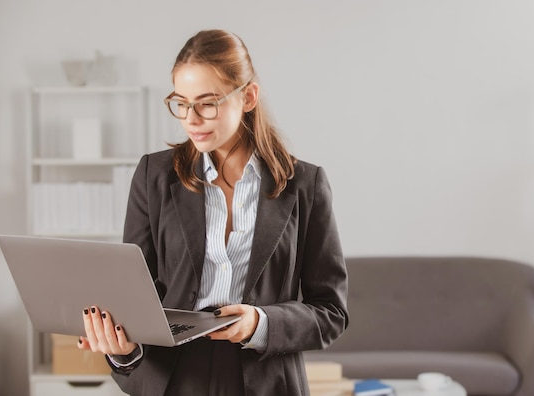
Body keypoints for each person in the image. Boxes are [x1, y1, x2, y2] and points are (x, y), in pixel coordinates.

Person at [77, 29, 349, 396]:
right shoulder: (152, 176)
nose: (191, 118)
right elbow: (137, 297)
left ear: (248, 97)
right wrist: (123, 351)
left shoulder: (305, 185)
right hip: (173, 378)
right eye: (180, 102)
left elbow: (331, 312)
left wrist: (260, 322)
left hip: (266, 379)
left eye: (208, 103)